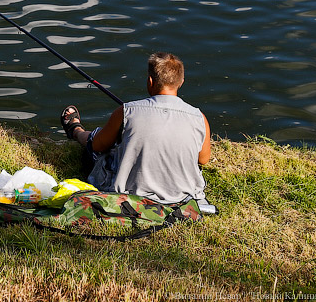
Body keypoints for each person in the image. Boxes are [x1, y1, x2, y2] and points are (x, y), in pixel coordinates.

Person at [60, 52, 212, 205]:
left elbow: (97, 146)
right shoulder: (200, 118)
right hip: (182, 197)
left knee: (96, 141)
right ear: (181, 82)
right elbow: (203, 159)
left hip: (132, 196)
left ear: (150, 81)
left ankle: (76, 130)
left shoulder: (126, 111)